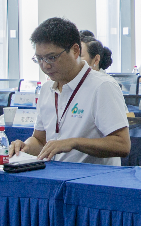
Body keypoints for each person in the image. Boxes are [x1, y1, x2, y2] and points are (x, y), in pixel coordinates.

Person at [8, 17, 130, 165]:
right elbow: (40, 141)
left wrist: (74, 143)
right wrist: (25, 147)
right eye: (39, 59)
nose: (45, 66)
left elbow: (122, 145)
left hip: (92, 177)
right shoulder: (46, 89)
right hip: (54, 174)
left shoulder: (102, 86)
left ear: (75, 51)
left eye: (51, 57)